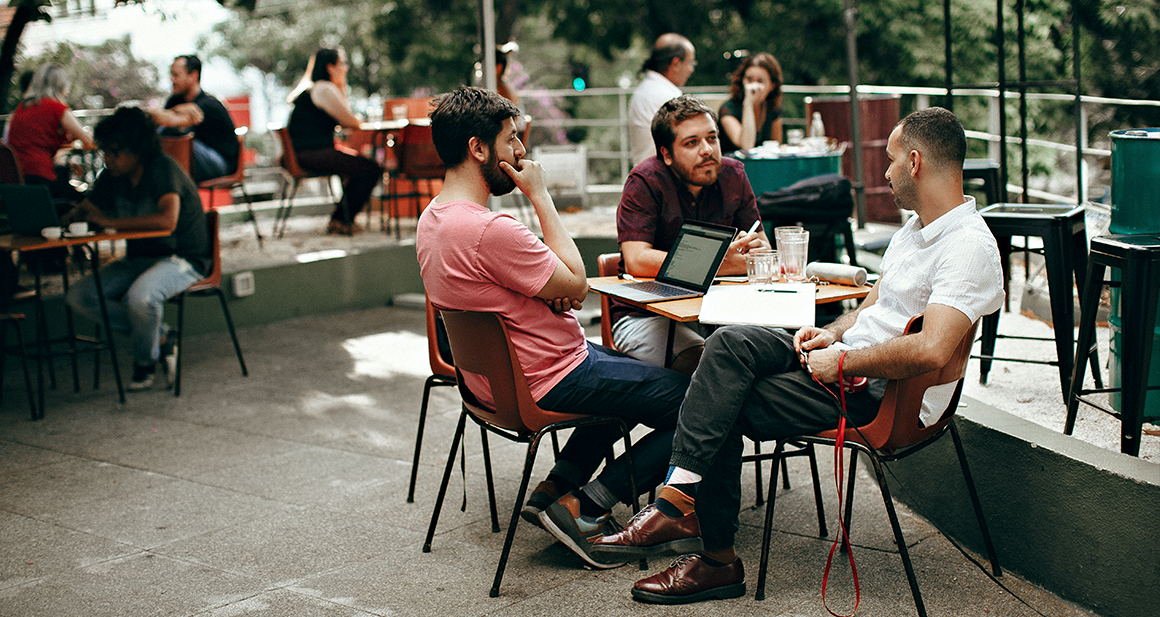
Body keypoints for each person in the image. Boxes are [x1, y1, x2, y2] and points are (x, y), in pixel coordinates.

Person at [591, 107, 1005, 604]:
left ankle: (716, 559)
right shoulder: (914, 230)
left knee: (723, 398)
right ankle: (679, 494)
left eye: (892, 161)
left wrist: (845, 362)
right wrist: (831, 334)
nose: (886, 172)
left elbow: (932, 347)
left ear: (915, 162)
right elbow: (873, 307)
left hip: (880, 393)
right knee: (729, 343)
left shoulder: (968, 246)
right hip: (847, 362)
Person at [416, 86, 689, 570]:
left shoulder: (432, 220)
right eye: (511, 141)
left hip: (493, 384)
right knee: (697, 402)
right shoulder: (490, 230)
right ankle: (585, 507)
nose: (522, 153)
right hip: (551, 377)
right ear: (478, 149)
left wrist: (552, 287)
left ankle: (554, 488)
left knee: (630, 372)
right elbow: (577, 283)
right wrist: (541, 196)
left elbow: (557, 287)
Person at [613, 95, 770, 374]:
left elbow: (761, 251)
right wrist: (720, 265)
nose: (707, 150)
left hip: (720, 311)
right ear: (667, 154)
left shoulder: (734, 175)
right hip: (648, 316)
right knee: (712, 371)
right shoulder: (644, 181)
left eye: (712, 138)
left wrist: (751, 256)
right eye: (691, 143)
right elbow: (637, 259)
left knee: (781, 355)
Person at [64, 107, 211, 391]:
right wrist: (70, 216)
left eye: (115, 152)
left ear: (138, 149)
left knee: (141, 299)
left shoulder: (162, 169)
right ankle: (163, 337)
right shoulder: (112, 176)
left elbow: (167, 220)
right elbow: (88, 208)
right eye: (105, 151)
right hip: (139, 259)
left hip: (182, 257)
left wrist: (110, 222)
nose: (108, 159)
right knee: (79, 296)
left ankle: (145, 361)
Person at [286, 47, 383, 235]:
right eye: (343, 64)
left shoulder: (311, 88)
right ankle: (340, 220)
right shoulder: (324, 88)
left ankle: (342, 218)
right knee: (370, 169)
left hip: (302, 152)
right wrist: (342, 87)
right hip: (312, 153)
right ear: (331, 67)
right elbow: (350, 122)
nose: (345, 68)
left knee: (358, 165)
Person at [5, 65, 95, 200]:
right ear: (61, 84)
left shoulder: (22, 108)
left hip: (14, 178)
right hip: (40, 178)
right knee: (87, 201)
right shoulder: (56, 107)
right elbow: (87, 140)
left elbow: (36, 137)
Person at [148, 55, 240, 183]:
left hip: (221, 164)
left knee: (177, 139)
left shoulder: (209, 105)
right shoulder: (174, 101)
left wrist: (162, 116)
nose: (171, 79)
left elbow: (171, 121)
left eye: (176, 75)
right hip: (193, 161)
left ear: (193, 76)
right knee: (159, 137)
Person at [628, 33, 696, 166]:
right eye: (691, 63)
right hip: (662, 178)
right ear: (676, 63)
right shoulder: (669, 97)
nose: (691, 70)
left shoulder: (645, 89)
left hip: (645, 173)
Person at [718, 52, 784, 154]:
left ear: (772, 85)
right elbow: (746, 146)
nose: (753, 86)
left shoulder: (772, 109)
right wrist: (748, 102)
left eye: (760, 81)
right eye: (749, 80)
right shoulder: (728, 109)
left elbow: (776, 147)